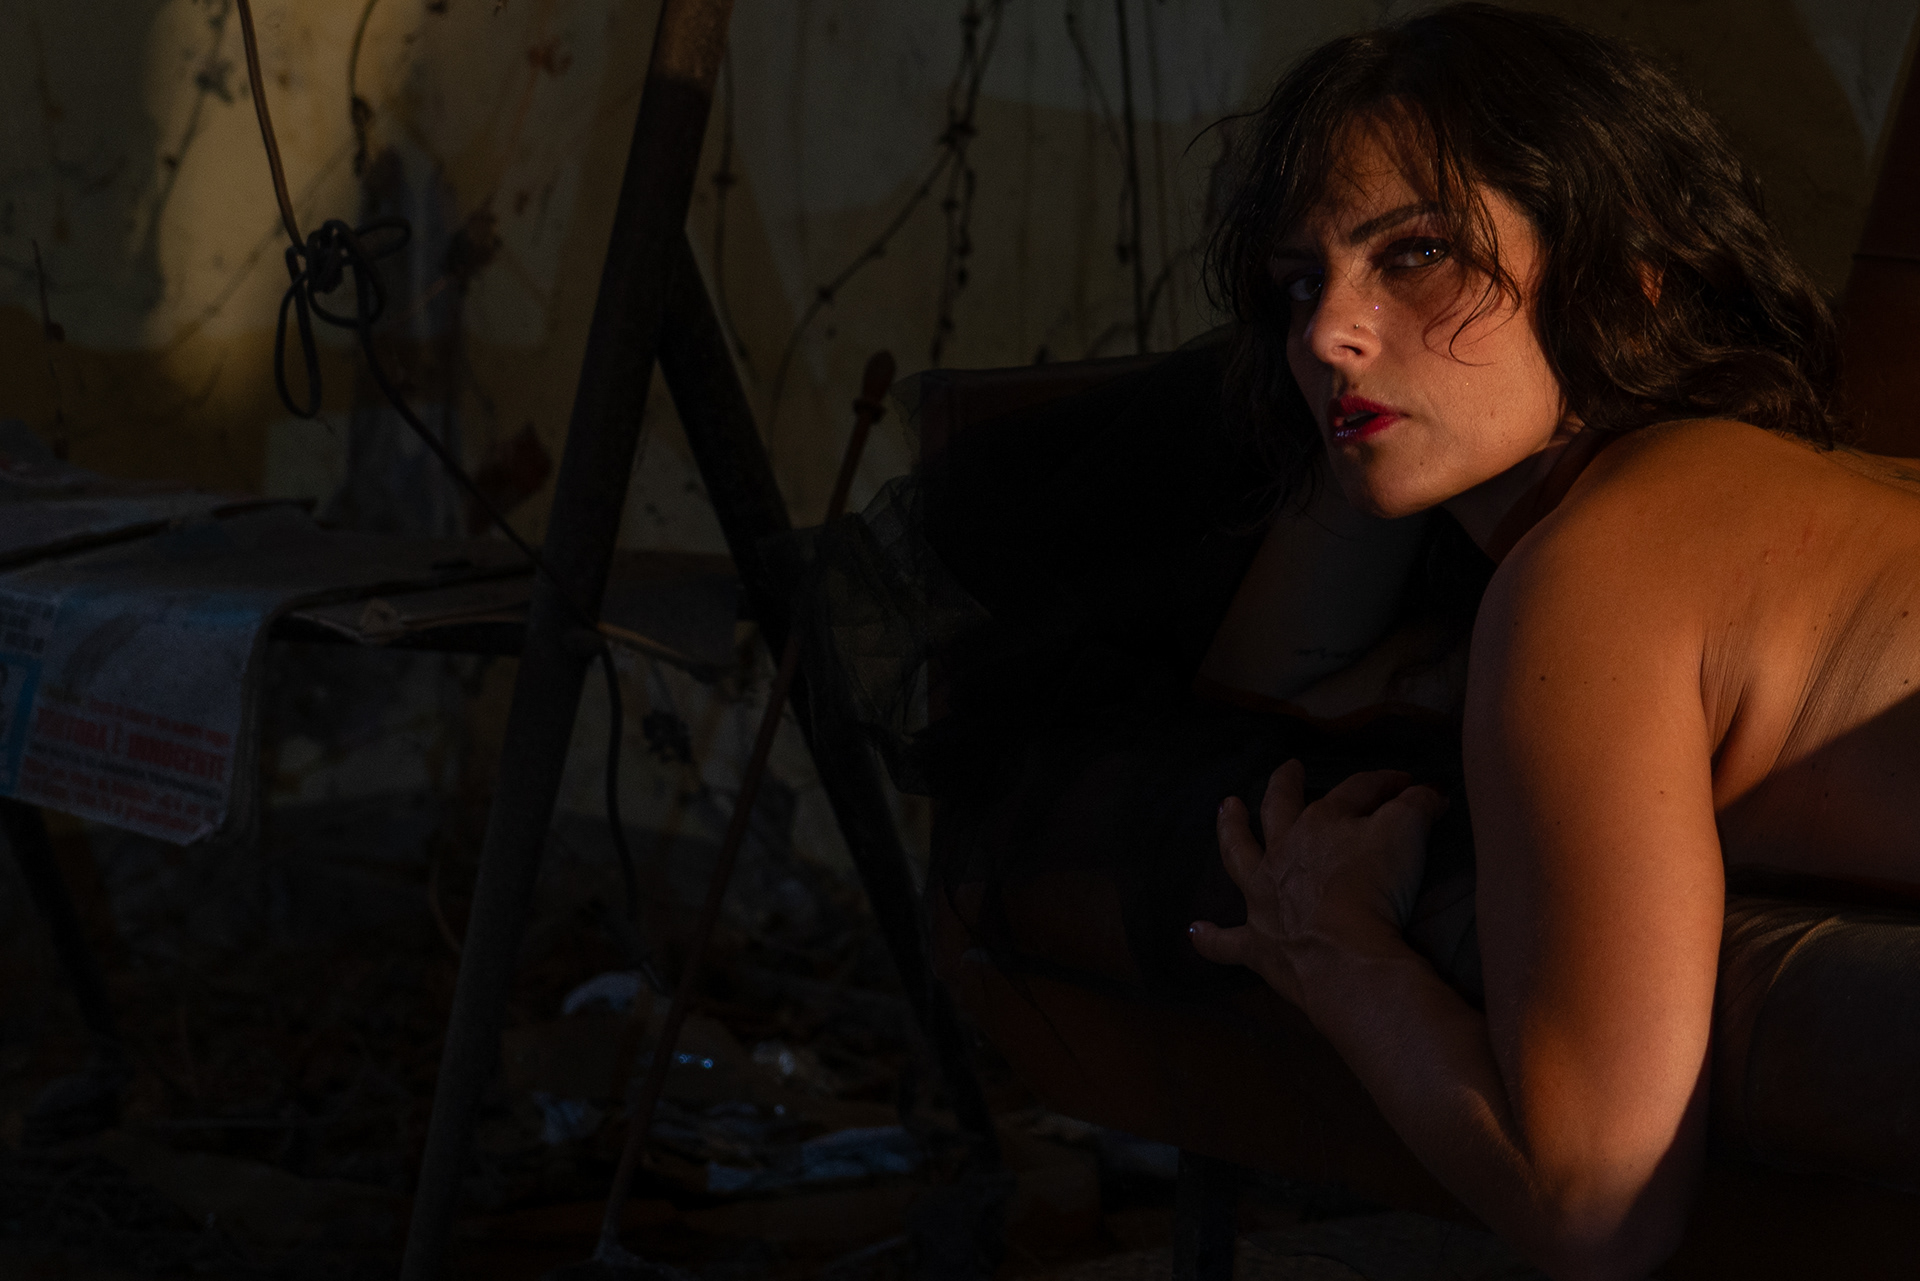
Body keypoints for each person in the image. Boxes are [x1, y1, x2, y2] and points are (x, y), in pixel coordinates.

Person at [1182, 6, 1920, 1279]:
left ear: (1625, 272)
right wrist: (1379, 385)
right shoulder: (1737, 498)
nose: (1323, 333)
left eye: (1418, 252)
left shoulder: (1602, 569)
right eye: (1300, 283)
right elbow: (1266, 685)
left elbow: (1595, 1209)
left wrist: (1334, 950)